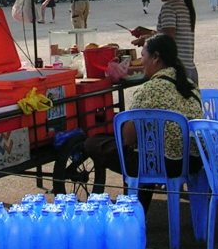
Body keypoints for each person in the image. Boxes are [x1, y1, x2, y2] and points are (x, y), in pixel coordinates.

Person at [82, 34, 202, 212]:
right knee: (144, 148)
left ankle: (132, 209)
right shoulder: (190, 84)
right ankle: (136, 206)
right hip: (193, 160)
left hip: (167, 164)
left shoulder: (150, 89)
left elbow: (129, 138)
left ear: (156, 58)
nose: (141, 61)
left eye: (143, 56)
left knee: (95, 143)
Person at [130, 0, 198, 84]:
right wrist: (146, 32)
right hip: (189, 68)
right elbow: (170, 33)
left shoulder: (169, 7)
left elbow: (167, 39)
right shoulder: (185, 5)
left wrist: (146, 40)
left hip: (175, 70)